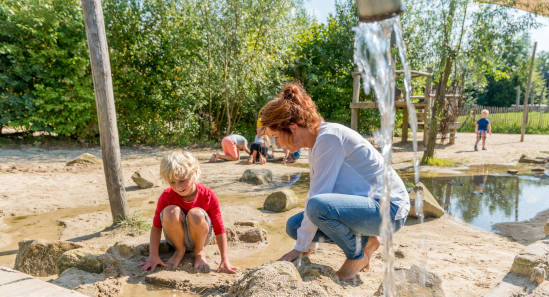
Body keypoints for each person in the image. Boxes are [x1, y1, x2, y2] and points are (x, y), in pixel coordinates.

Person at [260, 82, 410, 281]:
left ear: (293, 128)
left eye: (277, 137)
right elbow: (316, 195)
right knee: (294, 226)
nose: (277, 143)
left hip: (390, 210)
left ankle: (358, 255)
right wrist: (303, 248)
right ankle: (368, 241)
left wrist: (300, 249)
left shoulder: (329, 139)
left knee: (317, 207)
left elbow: (317, 199)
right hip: (369, 207)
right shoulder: (316, 144)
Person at [140, 150, 237, 274]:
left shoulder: (207, 195)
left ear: (195, 173)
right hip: (175, 239)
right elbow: (156, 227)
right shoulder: (166, 196)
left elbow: (219, 228)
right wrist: (153, 255)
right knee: (171, 211)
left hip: (201, 236)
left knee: (195, 214)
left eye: (182, 180)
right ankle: (179, 251)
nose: (178, 187)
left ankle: (199, 251)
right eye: (172, 182)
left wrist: (225, 259)